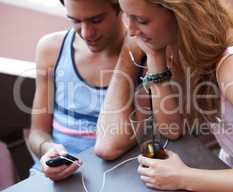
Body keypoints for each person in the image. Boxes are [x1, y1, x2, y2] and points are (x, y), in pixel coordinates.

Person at [119, 0, 233, 192]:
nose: (131, 31)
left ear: (182, 17)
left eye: (142, 20)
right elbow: (171, 129)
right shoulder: (183, 51)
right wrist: (154, 54)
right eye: (126, 15)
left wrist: (182, 177)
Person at [28, 0, 147, 181]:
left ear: (121, 8)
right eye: (75, 20)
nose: (86, 33)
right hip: (52, 180)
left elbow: (146, 135)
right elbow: (37, 133)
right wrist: (48, 149)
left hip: (116, 180)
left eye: (96, 20)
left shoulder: (143, 55)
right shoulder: (51, 49)